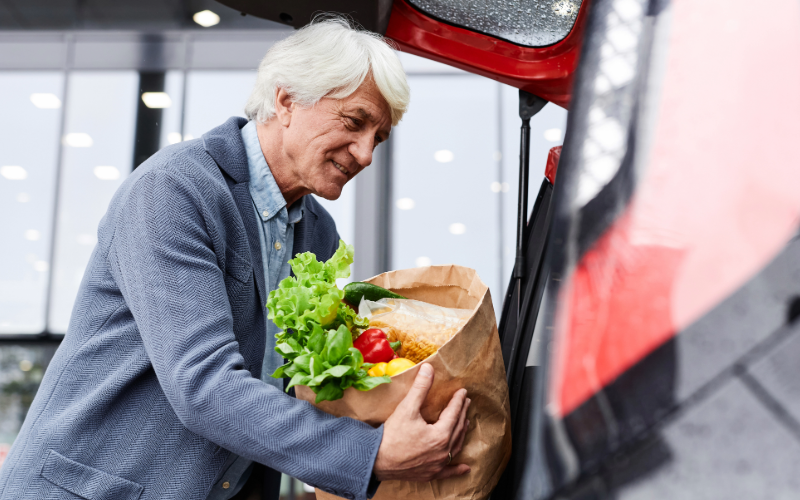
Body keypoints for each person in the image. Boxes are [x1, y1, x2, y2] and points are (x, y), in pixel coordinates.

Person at [0, 18, 470, 500]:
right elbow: (204, 386)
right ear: (287, 100)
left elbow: (304, 385)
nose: (367, 154)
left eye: (380, 137)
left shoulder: (318, 233)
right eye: (354, 122)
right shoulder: (175, 189)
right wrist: (368, 454)